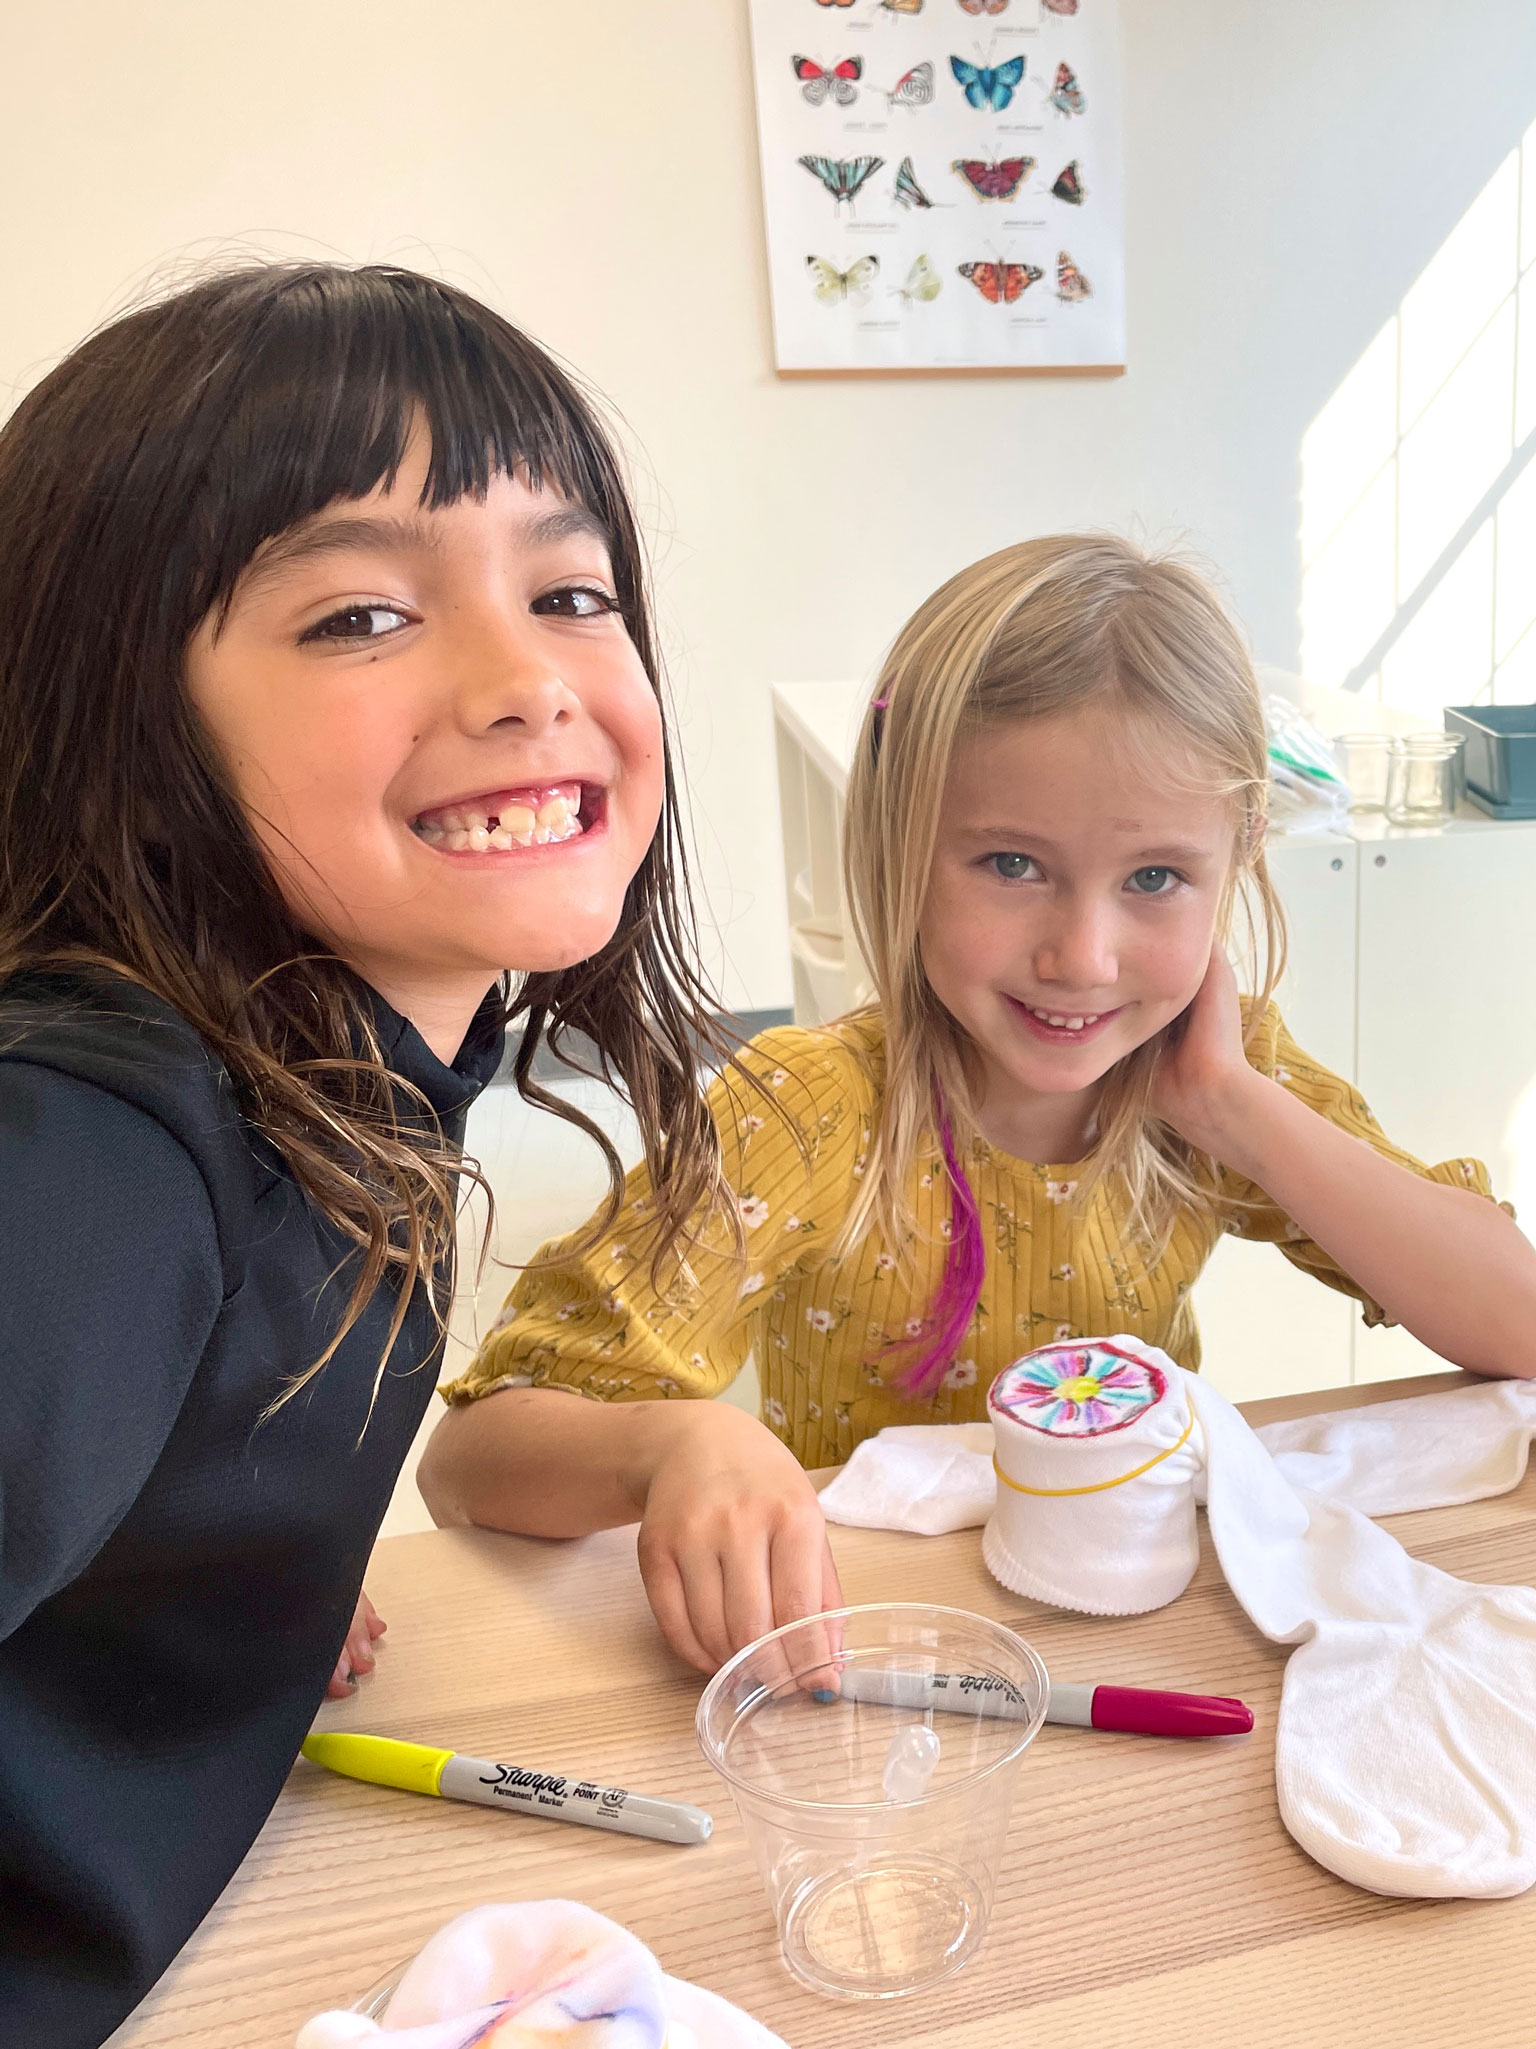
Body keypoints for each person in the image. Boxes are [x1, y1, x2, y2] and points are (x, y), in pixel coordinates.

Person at [0, 262, 733, 2046]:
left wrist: (192, 1568)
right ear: (121, 728)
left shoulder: (372, 1058)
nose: (526, 678)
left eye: (570, 589)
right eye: (355, 617)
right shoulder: (93, 1153)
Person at [422, 534, 1536, 1678]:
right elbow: (468, 1464)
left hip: (1139, 1624)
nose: (1082, 958)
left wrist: (1234, 1107)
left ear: (1239, 859)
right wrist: (670, 1445)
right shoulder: (804, 1114)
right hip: (885, 1644)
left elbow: (1519, 1324)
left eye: (1156, 878)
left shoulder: (1218, 1074)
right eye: (1010, 864)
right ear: (902, 843)